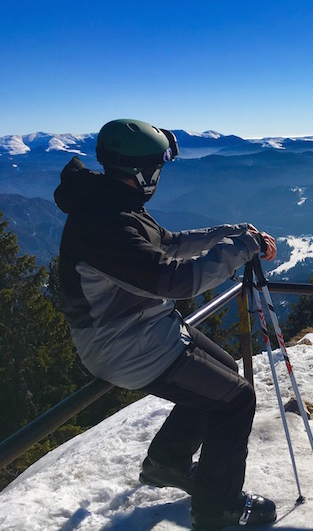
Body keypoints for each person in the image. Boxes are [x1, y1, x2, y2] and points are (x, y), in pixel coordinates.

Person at [54, 118, 278, 530]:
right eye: (158, 166)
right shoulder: (108, 224)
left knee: (225, 373)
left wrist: (229, 235)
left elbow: (168, 245)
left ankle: (167, 464)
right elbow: (174, 280)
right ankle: (218, 509)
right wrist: (242, 248)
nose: (159, 174)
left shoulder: (112, 205)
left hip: (139, 327)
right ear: (142, 171)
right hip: (123, 342)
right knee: (237, 399)